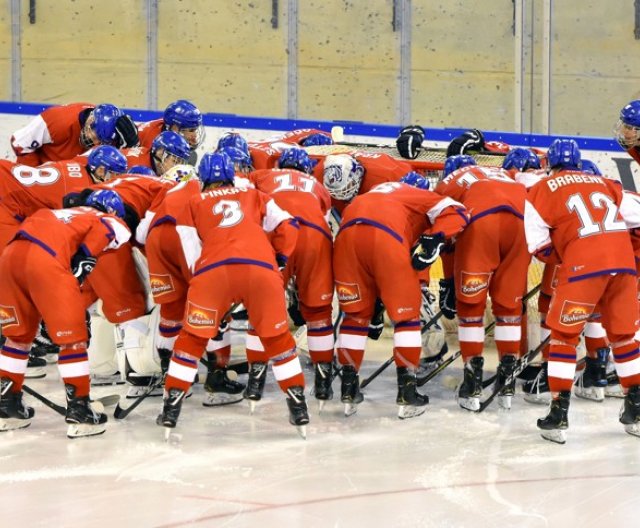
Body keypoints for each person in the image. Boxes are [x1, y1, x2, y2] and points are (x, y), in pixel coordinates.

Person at [158, 151, 310, 437]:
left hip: (214, 275)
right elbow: (290, 225)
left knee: (191, 340)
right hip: (260, 271)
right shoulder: (253, 194)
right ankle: (298, 408)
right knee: (278, 340)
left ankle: (171, 409)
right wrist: (279, 258)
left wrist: (214, 302)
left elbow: (192, 259)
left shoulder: (191, 204)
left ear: (202, 179)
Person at [525, 137, 640, 443]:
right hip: (624, 265)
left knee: (563, 338)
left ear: (550, 164)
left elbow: (537, 246)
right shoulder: (605, 182)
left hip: (582, 267)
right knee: (624, 337)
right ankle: (637, 410)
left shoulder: (538, 189)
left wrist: (570, 251)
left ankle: (558, 414)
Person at [332, 178, 468, 419]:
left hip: (345, 237)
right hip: (384, 237)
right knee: (407, 319)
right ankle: (407, 393)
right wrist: (437, 236)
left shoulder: (375, 192)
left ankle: (348, 390)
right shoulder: (418, 195)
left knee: (354, 317)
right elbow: (458, 212)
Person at [0, 190, 131, 437]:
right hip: (45, 260)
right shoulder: (101, 217)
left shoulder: (63, 214)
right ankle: (80, 408)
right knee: (73, 340)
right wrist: (84, 257)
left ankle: (7, 405)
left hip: (10, 257)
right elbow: (114, 231)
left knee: (18, 337)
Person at [143, 161, 246, 405]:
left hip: (155, 240)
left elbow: (141, 231)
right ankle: (216, 378)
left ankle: (172, 375)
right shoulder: (237, 188)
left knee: (171, 311)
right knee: (216, 309)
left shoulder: (173, 188)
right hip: (187, 235)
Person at [435, 155, 530, 412]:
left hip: (483, 223)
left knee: (471, 308)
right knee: (509, 308)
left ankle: (472, 382)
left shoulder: (450, 180)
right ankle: (507, 382)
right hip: (523, 224)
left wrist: (449, 284)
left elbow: (445, 238)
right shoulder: (505, 174)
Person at [247, 147, 335, 408]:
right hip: (315, 237)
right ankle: (323, 384)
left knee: (261, 310)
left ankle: (255, 381)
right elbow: (324, 219)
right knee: (319, 314)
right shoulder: (319, 187)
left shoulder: (262, 176)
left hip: (278, 234)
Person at [0, 145, 128, 252]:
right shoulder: (80, 189)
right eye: (115, 175)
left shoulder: (75, 164)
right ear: (100, 171)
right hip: (5, 197)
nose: (117, 180)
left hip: (5, 172)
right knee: (12, 254)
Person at [10, 103, 138, 167]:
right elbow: (19, 142)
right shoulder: (58, 121)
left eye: (101, 141)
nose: (95, 144)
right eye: (95, 136)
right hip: (46, 173)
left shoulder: (110, 133)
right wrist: (35, 175)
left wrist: (131, 145)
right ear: (90, 120)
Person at [137, 100, 205, 163]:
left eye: (195, 130)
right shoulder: (149, 138)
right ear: (175, 129)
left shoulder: (169, 129)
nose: (195, 135)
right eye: (191, 130)